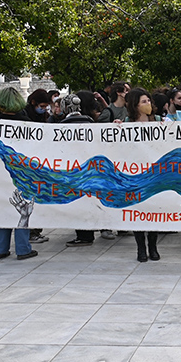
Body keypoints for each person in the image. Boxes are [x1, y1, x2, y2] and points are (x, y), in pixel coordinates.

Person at [0, 87, 38, 260]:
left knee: (2, 209)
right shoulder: (27, 123)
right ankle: (23, 248)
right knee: (22, 208)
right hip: (21, 174)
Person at [61, 92, 103, 246]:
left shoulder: (63, 126)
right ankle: (88, 232)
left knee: (77, 202)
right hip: (90, 170)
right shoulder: (92, 123)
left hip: (73, 170)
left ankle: (84, 235)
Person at [124, 88, 161, 261]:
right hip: (135, 174)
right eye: (143, 102)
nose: (148, 105)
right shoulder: (126, 123)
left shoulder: (160, 121)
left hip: (155, 174)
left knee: (153, 210)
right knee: (138, 211)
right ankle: (141, 248)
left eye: (148, 101)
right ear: (135, 106)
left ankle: (153, 246)